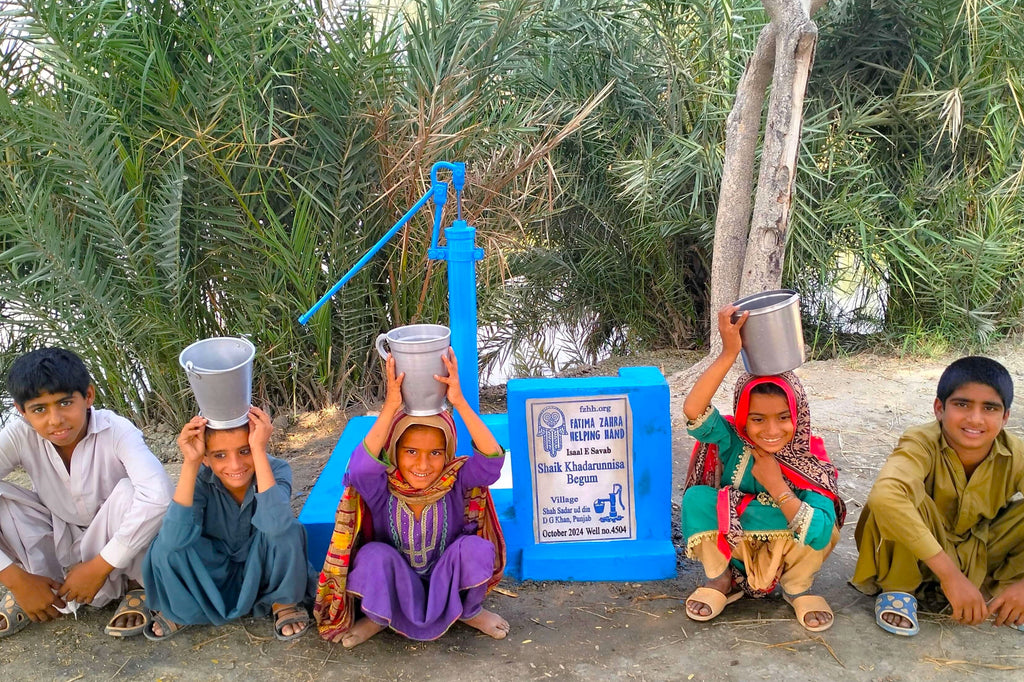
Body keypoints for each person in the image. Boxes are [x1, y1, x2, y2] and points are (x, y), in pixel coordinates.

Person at [313, 348, 508, 647]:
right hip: (397, 581)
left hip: (447, 577)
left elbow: (492, 460)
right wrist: (390, 407)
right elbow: (360, 469)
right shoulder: (382, 487)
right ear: (394, 452)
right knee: (372, 556)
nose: (422, 464)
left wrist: (459, 402)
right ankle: (379, 618)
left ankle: (469, 612)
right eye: (411, 451)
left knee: (476, 549)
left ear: (447, 454)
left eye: (435, 453)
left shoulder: (455, 480)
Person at [680, 306, 845, 631]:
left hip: (791, 550)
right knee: (696, 500)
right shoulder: (731, 439)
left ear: (798, 415)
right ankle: (721, 579)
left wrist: (777, 485)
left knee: (825, 525)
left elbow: (821, 532)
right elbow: (693, 410)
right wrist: (729, 352)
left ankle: (797, 588)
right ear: (743, 417)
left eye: (783, 417)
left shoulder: (811, 454)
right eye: (757, 419)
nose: (771, 430)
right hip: (737, 544)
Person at [0, 347, 172, 639]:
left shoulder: (116, 429)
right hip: (58, 534)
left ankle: (136, 587)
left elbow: (160, 495)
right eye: (39, 409)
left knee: (135, 493)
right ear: (22, 411)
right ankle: (37, 585)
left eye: (65, 403)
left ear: (88, 396)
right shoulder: (19, 435)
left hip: (116, 543)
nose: (55, 420)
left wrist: (99, 566)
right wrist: (14, 579)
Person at [852, 356, 1024, 636]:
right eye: (962, 404)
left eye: (989, 408)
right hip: (915, 554)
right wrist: (950, 576)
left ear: (1004, 418)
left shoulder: (1015, 453)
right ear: (939, 408)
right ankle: (900, 588)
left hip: (979, 552)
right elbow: (885, 496)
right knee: (896, 499)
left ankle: (1003, 592)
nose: (975, 418)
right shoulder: (920, 441)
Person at [142, 406, 316, 641]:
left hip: (261, 566)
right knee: (165, 545)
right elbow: (173, 540)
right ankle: (181, 609)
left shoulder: (275, 469)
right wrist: (191, 463)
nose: (235, 466)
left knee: (288, 530)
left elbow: (277, 526)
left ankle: (283, 601)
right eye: (220, 455)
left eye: (244, 450)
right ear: (206, 457)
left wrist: (258, 452)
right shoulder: (200, 476)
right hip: (213, 568)